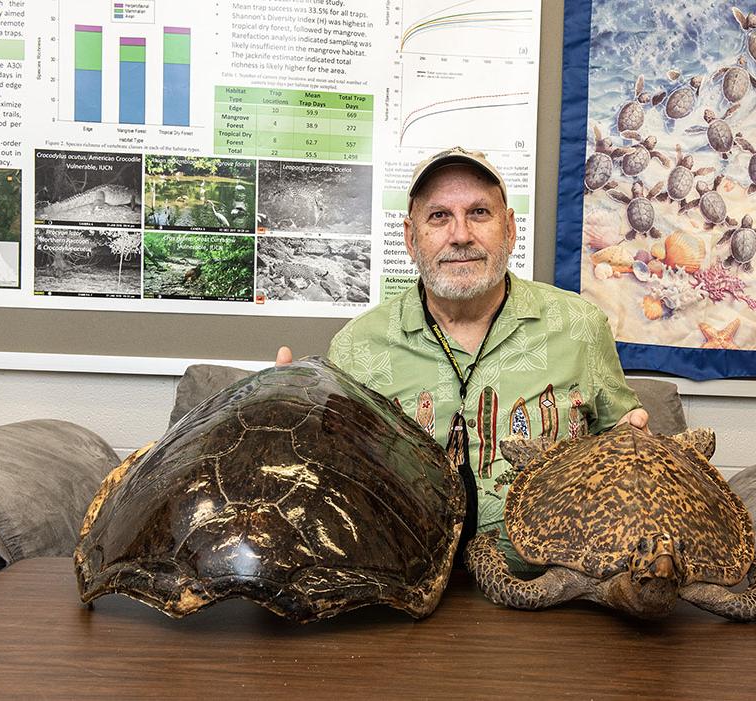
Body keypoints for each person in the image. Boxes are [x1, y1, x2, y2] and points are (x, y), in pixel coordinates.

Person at [276, 146, 648, 571]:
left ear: (509, 229)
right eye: (438, 217)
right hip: (401, 592)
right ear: (410, 238)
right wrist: (283, 428)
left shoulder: (581, 326)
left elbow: (625, 444)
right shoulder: (356, 347)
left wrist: (637, 445)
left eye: (479, 213)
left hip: (554, 591)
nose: (460, 235)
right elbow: (328, 483)